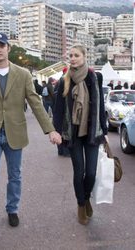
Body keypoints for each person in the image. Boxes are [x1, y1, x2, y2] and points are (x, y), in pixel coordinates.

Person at [0, 32, 62, 241]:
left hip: (15, 132)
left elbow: (35, 102)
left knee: (15, 176)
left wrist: (50, 130)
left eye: (2, 45)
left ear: (8, 48)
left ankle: (12, 208)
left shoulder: (22, 74)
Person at [53, 44, 108, 225]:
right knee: (79, 172)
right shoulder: (64, 80)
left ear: (84, 56)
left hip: (92, 131)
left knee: (91, 173)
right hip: (74, 134)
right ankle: (81, 205)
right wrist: (55, 131)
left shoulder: (95, 77)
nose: (73, 58)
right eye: (71, 55)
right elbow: (58, 110)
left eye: (76, 55)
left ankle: (86, 199)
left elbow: (100, 104)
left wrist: (104, 130)